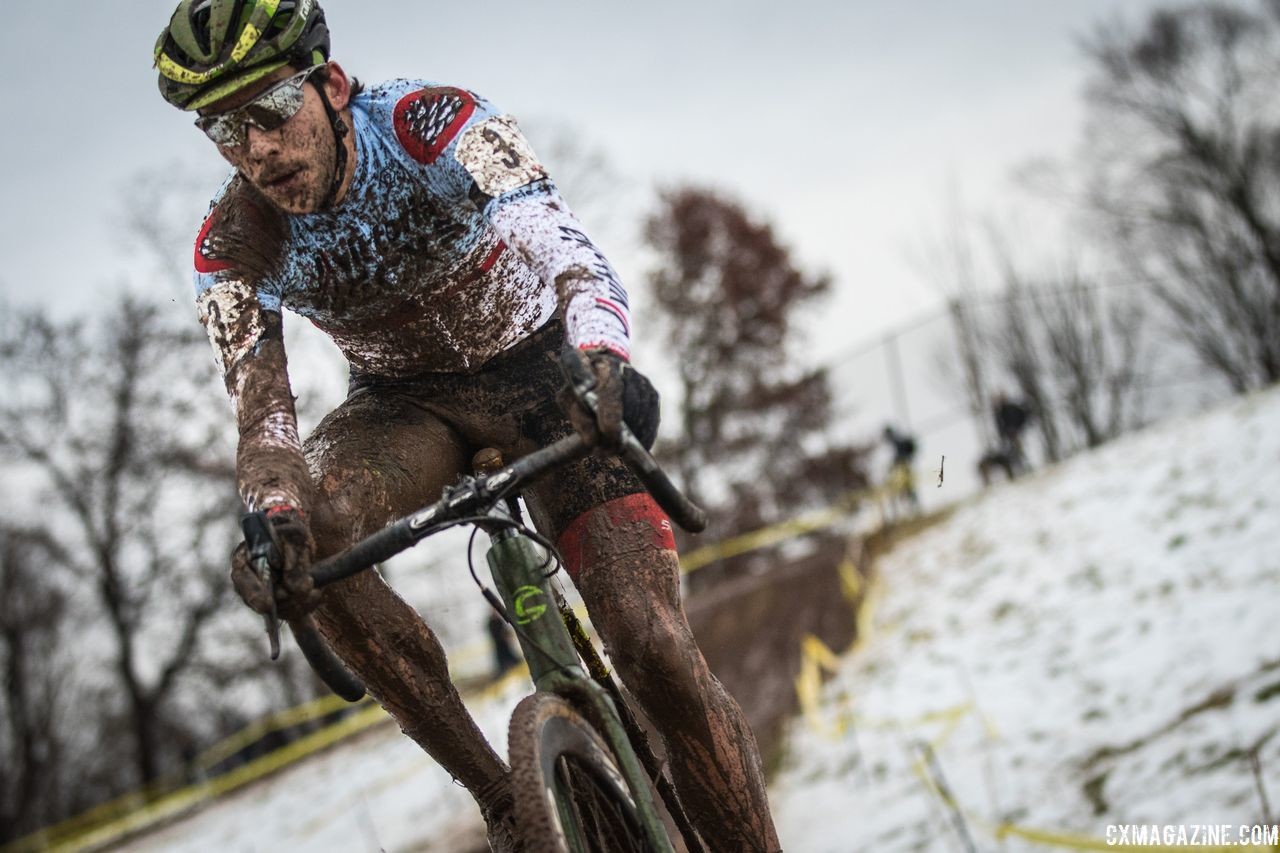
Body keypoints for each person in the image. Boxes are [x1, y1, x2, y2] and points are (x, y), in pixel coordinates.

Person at [152, 2, 780, 850]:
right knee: (313, 532)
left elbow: (563, 246)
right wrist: (271, 512)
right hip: (402, 406)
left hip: (541, 371)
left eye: (269, 110)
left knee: (652, 647)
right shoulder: (228, 242)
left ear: (331, 85)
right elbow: (263, 419)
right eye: (224, 132)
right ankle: (505, 799)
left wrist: (603, 357)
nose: (257, 149)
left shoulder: (430, 123)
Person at [881, 424, 919, 517]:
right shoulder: (898, 438)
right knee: (907, 487)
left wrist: (893, 465)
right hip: (905, 465)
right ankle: (912, 507)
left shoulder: (895, 440)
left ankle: (911, 508)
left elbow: (898, 455)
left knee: (904, 487)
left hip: (903, 466)